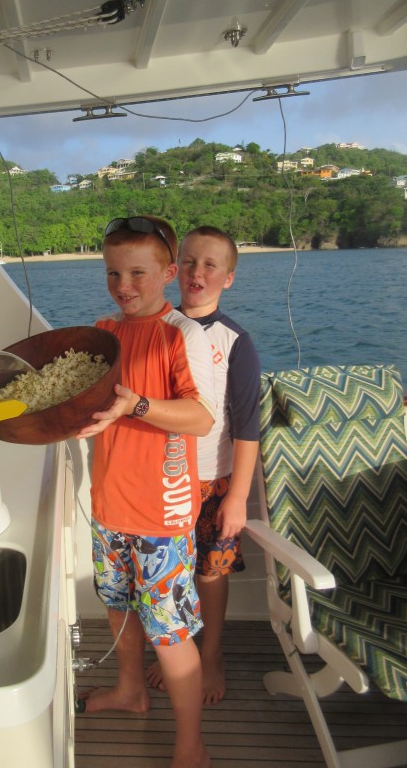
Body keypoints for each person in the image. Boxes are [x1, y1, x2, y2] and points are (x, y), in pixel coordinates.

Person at [76, 215, 217, 768]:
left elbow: (201, 418)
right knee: (117, 608)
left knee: (171, 631)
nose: (123, 285)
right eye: (113, 273)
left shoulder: (183, 333)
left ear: (167, 271)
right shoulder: (105, 334)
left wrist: (136, 404)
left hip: (162, 510)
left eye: (137, 272)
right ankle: (131, 692)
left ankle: (191, 746)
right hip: (110, 503)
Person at [146, 225, 261, 705]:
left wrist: (237, 498)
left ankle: (211, 653)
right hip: (161, 477)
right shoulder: (156, 326)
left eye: (210, 264)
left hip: (213, 478)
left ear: (228, 278)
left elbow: (248, 426)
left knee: (209, 573)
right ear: (174, 269)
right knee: (165, 574)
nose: (198, 272)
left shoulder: (236, 341)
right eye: (190, 261)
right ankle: (177, 649)